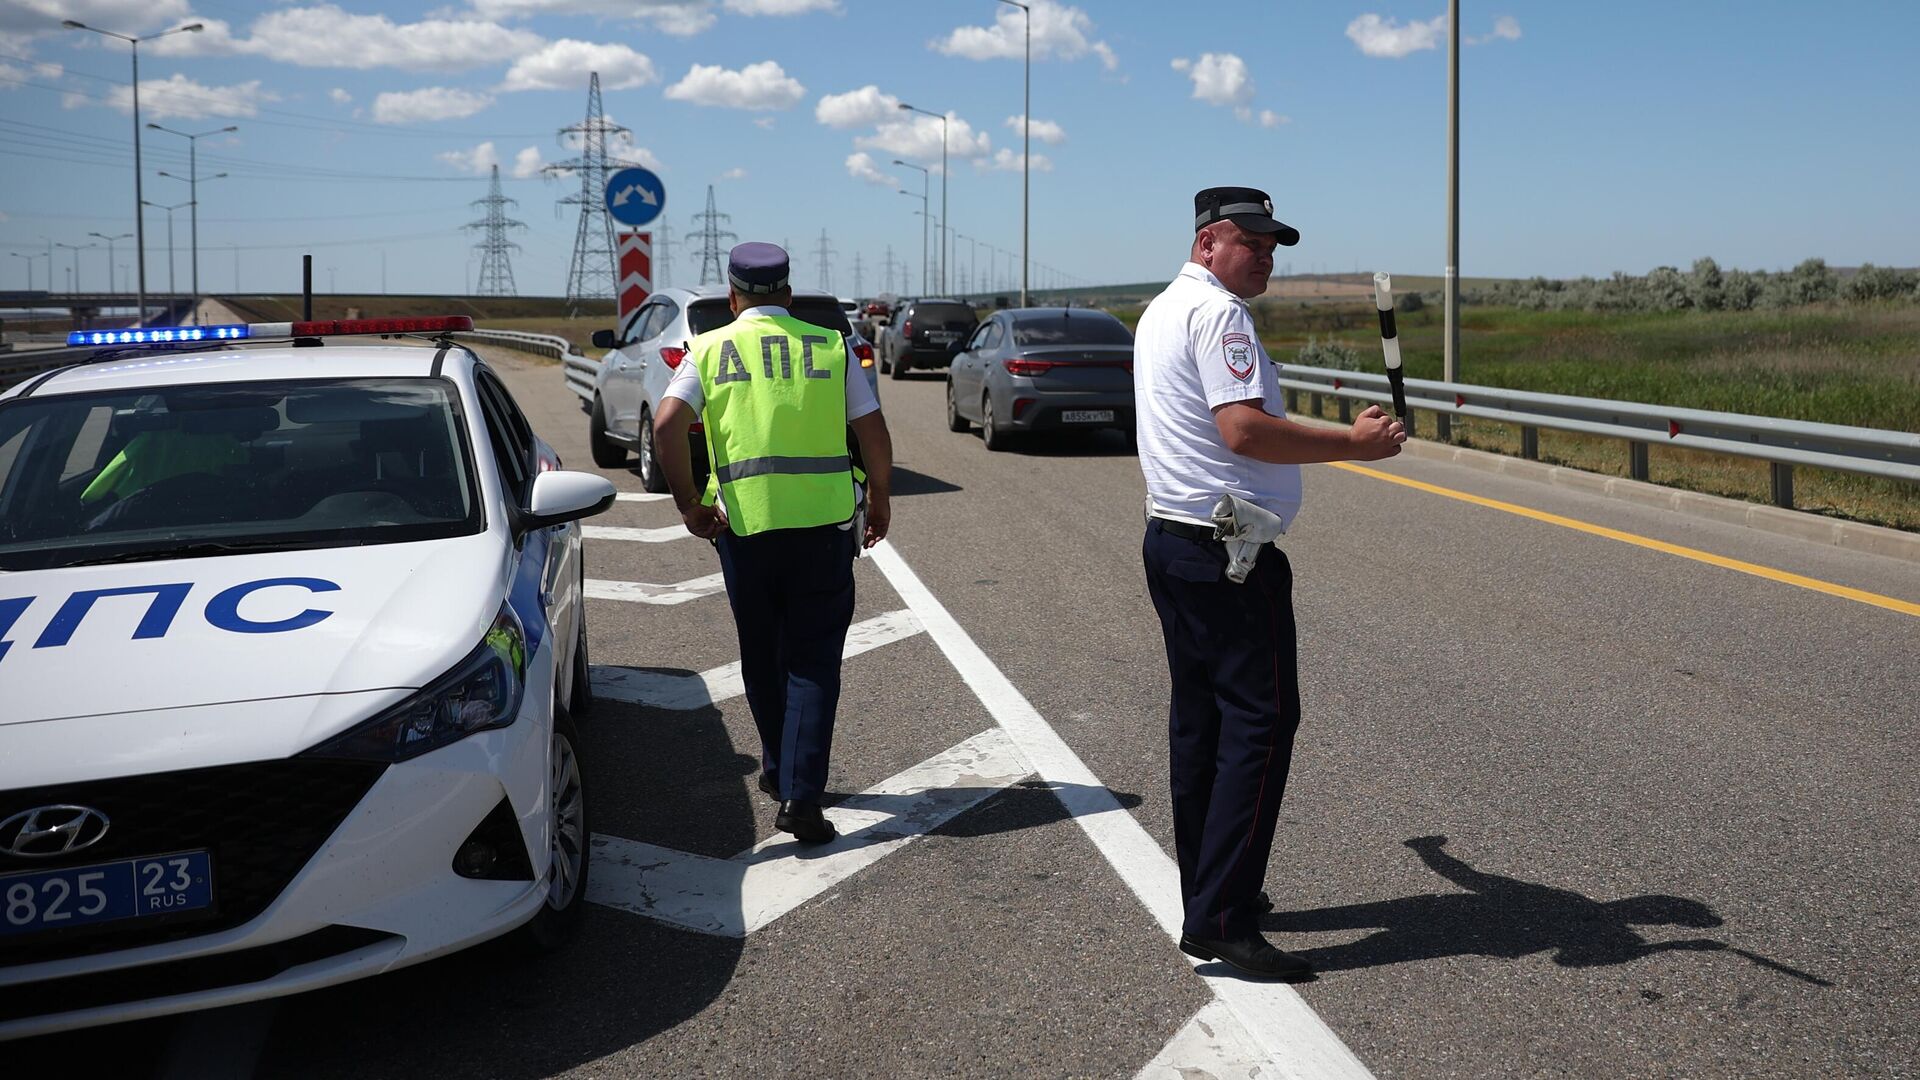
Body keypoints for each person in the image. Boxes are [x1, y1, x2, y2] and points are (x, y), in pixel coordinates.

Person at [1133, 187, 1406, 978]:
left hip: (1177, 540)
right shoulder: (1220, 315)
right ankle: (1221, 915)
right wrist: (1354, 445)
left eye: (1274, 245)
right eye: (1253, 242)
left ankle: (1212, 892)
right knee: (1261, 723)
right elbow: (1242, 429)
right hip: (1230, 555)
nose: (1267, 256)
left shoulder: (1161, 311)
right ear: (1209, 240)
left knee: (1204, 726)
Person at [653, 242, 893, 844]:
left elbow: (665, 425)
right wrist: (881, 498)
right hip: (823, 529)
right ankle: (802, 798)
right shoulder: (830, 346)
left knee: (762, 651)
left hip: (744, 529)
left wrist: (689, 503)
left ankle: (775, 767)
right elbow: (872, 431)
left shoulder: (706, 349)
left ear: (734, 299)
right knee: (812, 661)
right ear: (787, 295)